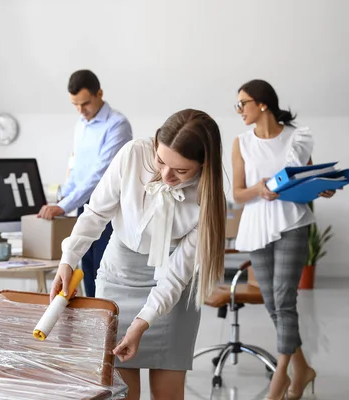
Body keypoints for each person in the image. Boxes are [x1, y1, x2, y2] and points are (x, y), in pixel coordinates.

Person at [50, 109, 226, 400]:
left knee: (168, 395)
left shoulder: (208, 197)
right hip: (118, 276)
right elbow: (94, 214)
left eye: (180, 171)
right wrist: (68, 258)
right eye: (160, 161)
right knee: (121, 393)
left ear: (204, 165)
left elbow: (176, 276)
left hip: (172, 292)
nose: (166, 175)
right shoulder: (132, 155)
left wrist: (143, 322)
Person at [231, 79, 336, 400]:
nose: (239, 111)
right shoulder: (241, 143)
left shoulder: (296, 137)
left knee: (283, 298)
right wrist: (259, 189)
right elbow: (237, 194)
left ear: (262, 104)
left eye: (242, 104)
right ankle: (302, 369)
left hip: (292, 222)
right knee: (274, 304)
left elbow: (306, 178)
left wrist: (321, 186)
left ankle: (280, 378)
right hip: (257, 226)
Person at [38, 70, 132, 297]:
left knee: (104, 269)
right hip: (84, 204)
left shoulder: (117, 125)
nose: (81, 110)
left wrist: (64, 206)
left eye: (85, 103)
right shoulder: (81, 124)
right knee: (85, 266)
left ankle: (108, 320)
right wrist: (61, 198)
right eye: (75, 105)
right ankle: (92, 322)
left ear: (99, 93)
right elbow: (77, 170)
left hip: (110, 207)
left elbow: (99, 175)